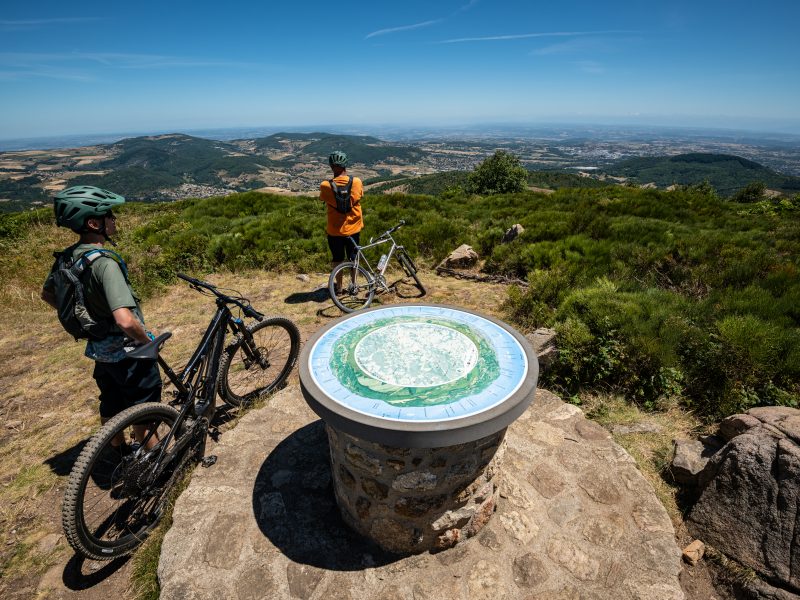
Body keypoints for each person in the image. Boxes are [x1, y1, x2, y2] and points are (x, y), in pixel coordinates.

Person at [41, 185, 161, 449]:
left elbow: (49, 296)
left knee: (111, 401)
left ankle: (116, 451)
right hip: (129, 353)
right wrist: (146, 341)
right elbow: (125, 320)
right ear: (94, 223)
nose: (114, 220)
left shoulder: (67, 258)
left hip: (100, 350)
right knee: (147, 408)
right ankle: (158, 463)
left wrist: (88, 319)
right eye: (109, 215)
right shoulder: (105, 264)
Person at [319, 150, 364, 292]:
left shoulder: (325, 186)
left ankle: (338, 287)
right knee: (353, 259)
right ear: (346, 165)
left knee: (337, 259)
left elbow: (323, 199)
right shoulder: (356, 182)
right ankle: (354, 285)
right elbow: (359, 196)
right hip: (353, 229)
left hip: (334, 231)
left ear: (331, 166)